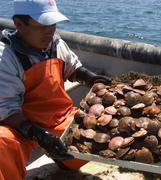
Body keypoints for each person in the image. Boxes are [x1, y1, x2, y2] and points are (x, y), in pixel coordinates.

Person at [0, 0, 112, 179]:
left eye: (53, 24)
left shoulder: (56, 43)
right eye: (43, 25)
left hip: (59, 118)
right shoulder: (5, 56)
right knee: (2, 143)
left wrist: (90, 77)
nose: (50, 30)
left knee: (102, 127)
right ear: (19, 24)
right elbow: (6, 110)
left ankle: (63, 159)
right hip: (21, 126)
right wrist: (38, 134)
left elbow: (73, 69)